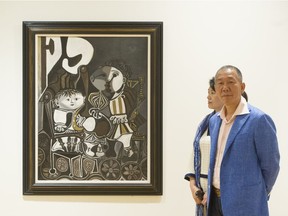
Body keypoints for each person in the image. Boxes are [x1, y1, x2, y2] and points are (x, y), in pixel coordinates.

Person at [207, 65, 280, 216]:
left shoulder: (259, 120)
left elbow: (271, 165)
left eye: (230, 82)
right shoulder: (214, 120)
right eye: (220, 83)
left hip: (246, 203)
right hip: (214, 202)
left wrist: (256, 193)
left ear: (242, 86)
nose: (225, 87)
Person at [184, 77, 223, 216]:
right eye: (208, 92)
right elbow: (195, 153)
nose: (208, 96)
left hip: (222, 194)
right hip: (203, 191)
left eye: (212, 93)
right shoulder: (205, 122)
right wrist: (193, 185)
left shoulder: (232, 123)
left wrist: (214, 191)